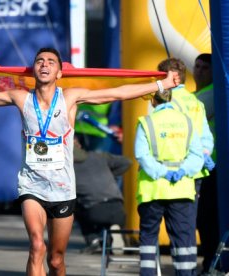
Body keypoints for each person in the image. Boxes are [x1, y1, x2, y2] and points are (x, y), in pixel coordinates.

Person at [0, 48, 180, 276]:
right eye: (39, 61)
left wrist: (161, 84)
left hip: (62, 189)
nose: (44, 64)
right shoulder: (21, 98)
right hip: (31, 185)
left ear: (60, 73)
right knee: (37, 246)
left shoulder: (71, 98)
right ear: (34, 70)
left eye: (50, 62)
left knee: (57, 260)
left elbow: (117, 93)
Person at [134, 88, 204, 276]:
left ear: (153, 101)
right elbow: (198, 156)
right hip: (181, 190)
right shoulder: (187, 122)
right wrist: (182, 171)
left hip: (152, 190)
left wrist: (162, 172)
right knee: (183, 240)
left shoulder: (146, 122)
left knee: (148, 239)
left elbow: (141, 154)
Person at [73, 137, 132, 254]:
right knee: (107, 216)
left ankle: (93, 241)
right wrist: (111, 174)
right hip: (118, 209)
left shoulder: (67, 168)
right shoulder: (99, 156)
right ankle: (114, 235)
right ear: (79, 146)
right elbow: (127, 162)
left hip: (95, 212)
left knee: (76, 206)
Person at [193, 53, 220, 274]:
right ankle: (210, 261)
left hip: (211, 165)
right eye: (197, 66)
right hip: (201, 166)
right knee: (204, 219)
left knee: (207, 218)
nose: (199, 71)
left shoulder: (209, 95)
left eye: (204, 68)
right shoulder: (197, 95)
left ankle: (211, 262)